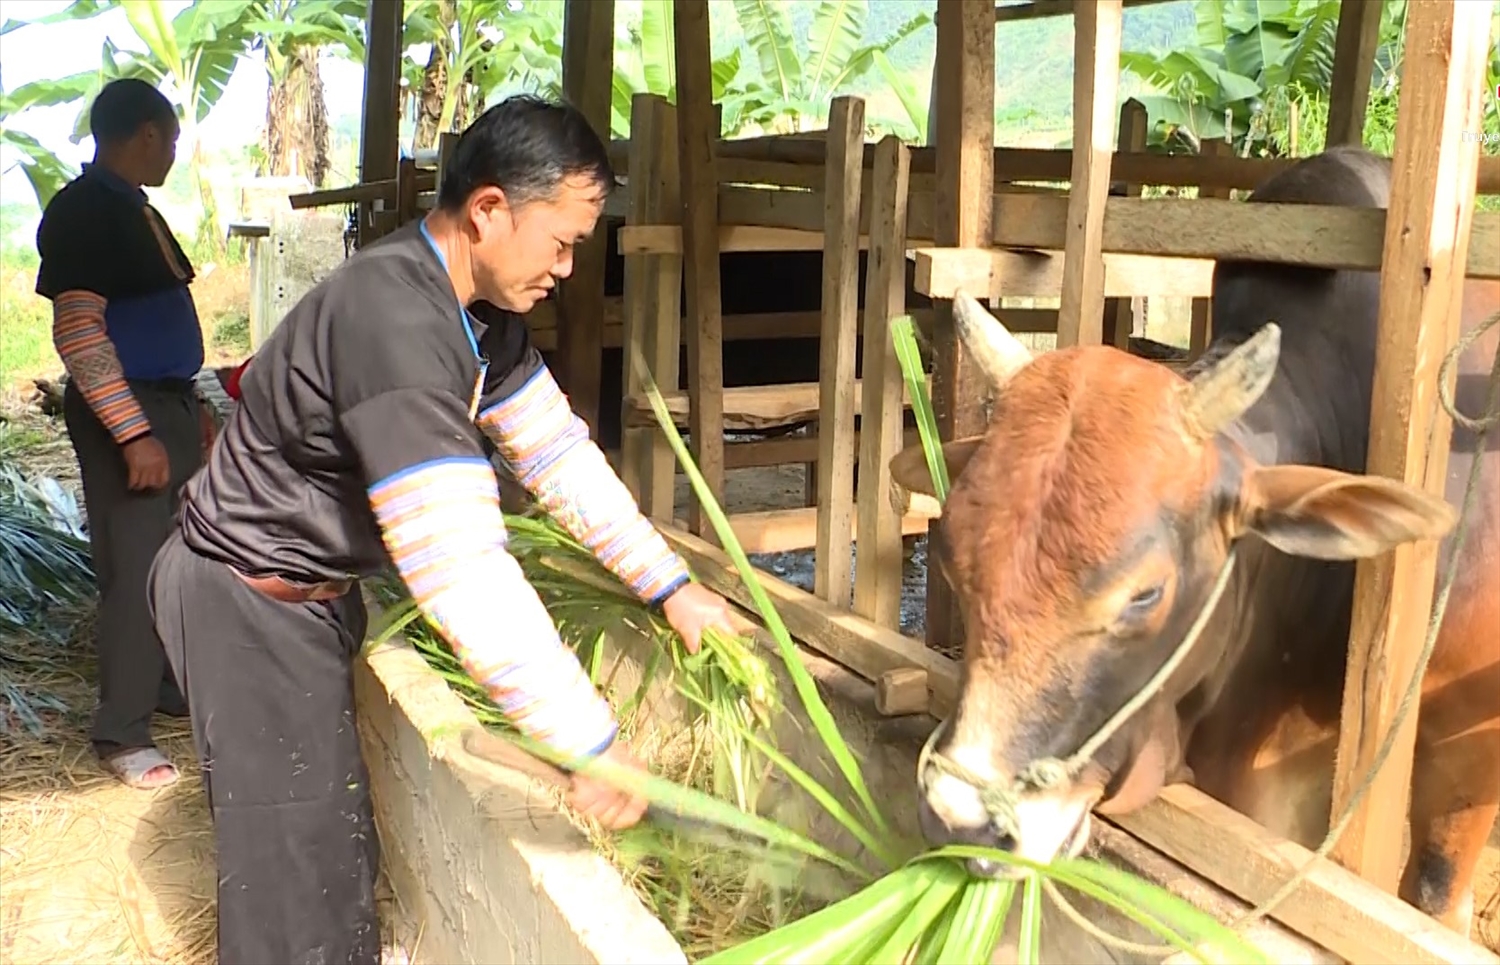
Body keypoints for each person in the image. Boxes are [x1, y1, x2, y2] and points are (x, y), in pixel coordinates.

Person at [147, 94, 747, 965]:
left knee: (333, 851)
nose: (570, 268)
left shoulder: (476, 315)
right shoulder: (394, 317)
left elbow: (556, 455)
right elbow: (457, 561)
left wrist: (672, 585)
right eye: (564, 241)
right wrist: (585, 740)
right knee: (291, 886)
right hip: (247, 600)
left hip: (300, 596)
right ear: (491, 210)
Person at [34, 77, 214, 790]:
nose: (172, 151)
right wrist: (133, 432)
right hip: (128, 410)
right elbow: (79, 330)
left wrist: (189, 404)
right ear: (146, 134)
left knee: (180, 555)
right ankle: (122, 728)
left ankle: (169, 688)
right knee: (137, 565)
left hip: (163, 402)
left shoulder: (131, 208)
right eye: (170, 138)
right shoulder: (85, 211)